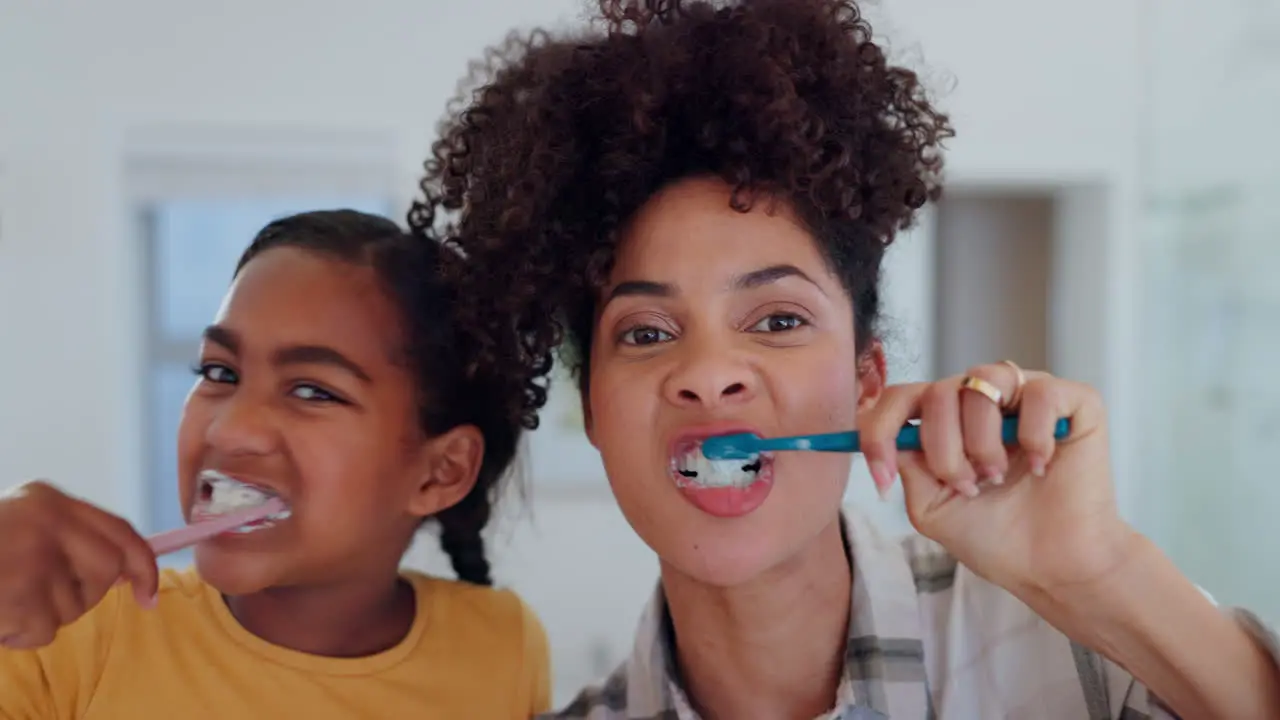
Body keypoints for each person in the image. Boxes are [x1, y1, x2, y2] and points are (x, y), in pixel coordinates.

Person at [411, 1, 1280, 717]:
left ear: (867, 378)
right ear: (594, 408)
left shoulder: (1068, 653)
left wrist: (1101, 574)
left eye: (778, 319)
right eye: (645, 332)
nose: (710, 373)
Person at [0, 210, 551, 718]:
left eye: (312, 391)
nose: (229, 428)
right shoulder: (68, 634)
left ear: (442, 472)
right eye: (219, 373)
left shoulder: (502, 646)